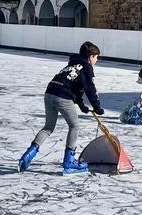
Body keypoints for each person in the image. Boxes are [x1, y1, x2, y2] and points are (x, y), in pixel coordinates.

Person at [18, 41, 104, 175]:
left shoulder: (73, 64)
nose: (97, 60)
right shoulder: (87, 67)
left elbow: (76, 86)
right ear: (90, 56)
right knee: (74, 126)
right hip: (62, 96)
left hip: (50, 92)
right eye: (96, 57)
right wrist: (97, 107)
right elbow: (90, 89)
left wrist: (82, 106)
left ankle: (28, 155)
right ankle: (69, 162)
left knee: (48, 127)